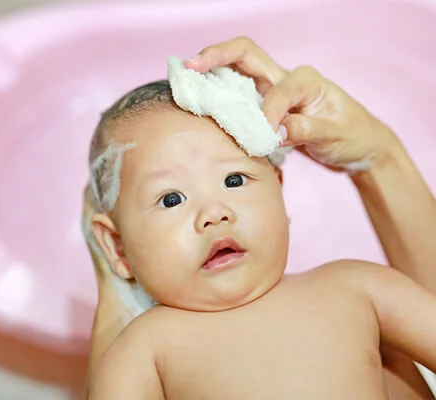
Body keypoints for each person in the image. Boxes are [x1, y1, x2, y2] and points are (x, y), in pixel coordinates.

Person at [83, 37, 436, 398]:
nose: (214, 213)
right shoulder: (143, 350)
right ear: (117, 247)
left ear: (278, 190)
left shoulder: (359, 286)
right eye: (171, 199)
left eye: (234, 180)